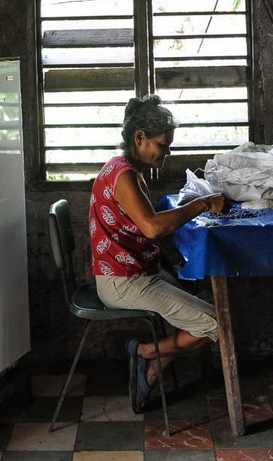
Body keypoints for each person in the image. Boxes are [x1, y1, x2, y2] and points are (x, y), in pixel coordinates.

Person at [90, 94, 226, 413]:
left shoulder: (124, 168)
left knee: (208, 300)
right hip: (124, 282)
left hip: (137, 272)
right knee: (219, 324)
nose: (167, 153)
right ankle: (146, 352)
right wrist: (202, 204)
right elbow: (152, 228)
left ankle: (152, 367)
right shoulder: (124, 175)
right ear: (140, 137)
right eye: (162, 145)